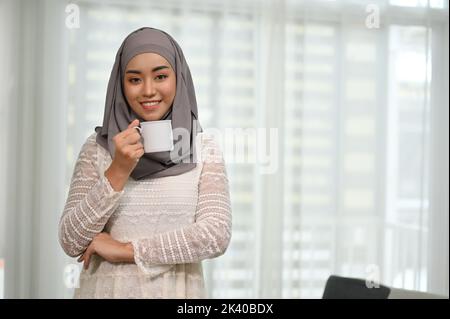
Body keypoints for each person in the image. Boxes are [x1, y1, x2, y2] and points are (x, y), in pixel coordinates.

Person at [58, 27, 232, 298]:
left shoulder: (203, 148)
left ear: (179, 78)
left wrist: (126, 251)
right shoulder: (97, 148)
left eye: (161, 76)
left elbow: (215, 236)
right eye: (135, 79)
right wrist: (117, 171)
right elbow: (71, 241)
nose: (149, 91)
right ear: (120, 84)